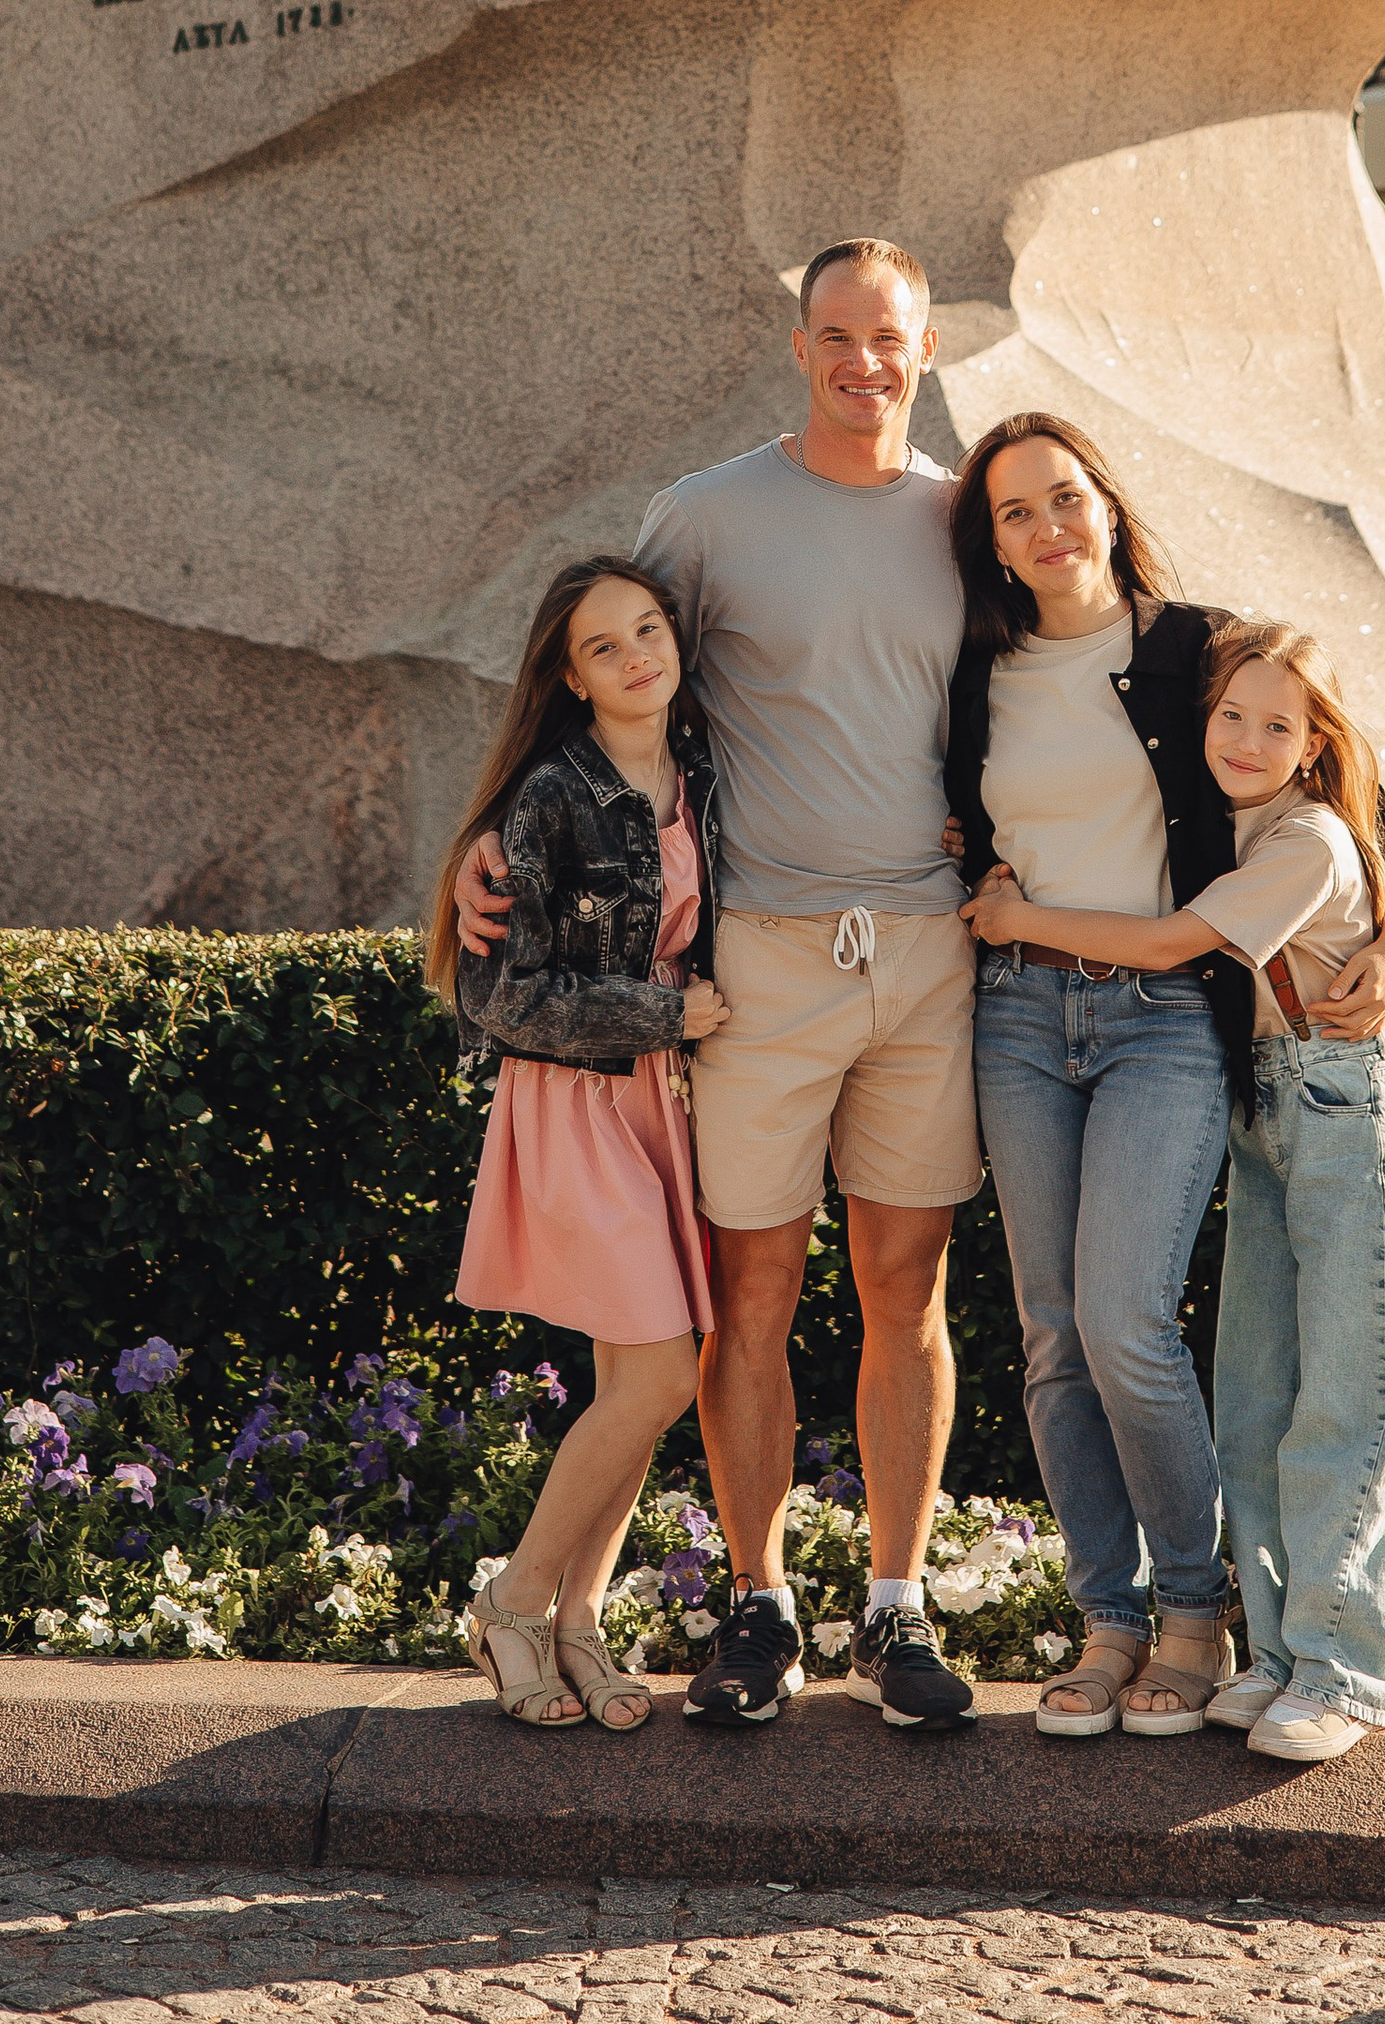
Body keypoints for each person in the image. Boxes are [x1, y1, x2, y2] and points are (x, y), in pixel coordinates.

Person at [456, 239, 983, 1733]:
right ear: (799, 347)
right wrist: (481, 849)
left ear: (927, 347)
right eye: (836, 335)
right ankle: (760, 1604)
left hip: (927, 954)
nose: (863, 362)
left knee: (905, 1292)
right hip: (759, 964)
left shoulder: (966, 521)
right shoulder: (702, 517)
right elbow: (590, 681)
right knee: (750, 1292)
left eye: (888, 337)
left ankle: (896, 1605)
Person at [940, 418, 1385, 1743]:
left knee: (1126, 1324)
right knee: (1052, 1338)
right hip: (1018, 1016)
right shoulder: (976, 671)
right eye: (1015, 512)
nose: (1048, 528)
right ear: (992, 543)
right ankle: (1111, 1620)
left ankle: (1196, 1618)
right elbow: (939, 815)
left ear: (1106, 503)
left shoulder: (1196, 647)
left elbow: (1354, 797)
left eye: (1065, 498)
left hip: (1161, 1019)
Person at [428, 555, 729, 1729]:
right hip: (579, 1100)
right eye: (605, 646)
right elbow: (503, 998)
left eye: (648, 629)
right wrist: (666, 1015)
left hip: (663, 1100)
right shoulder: (550, 798)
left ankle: (579, 1623)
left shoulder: (704, 766)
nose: (637, 656)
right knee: (659, 1374)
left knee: (632, 1386)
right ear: (570, 675)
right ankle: (512, 1602)